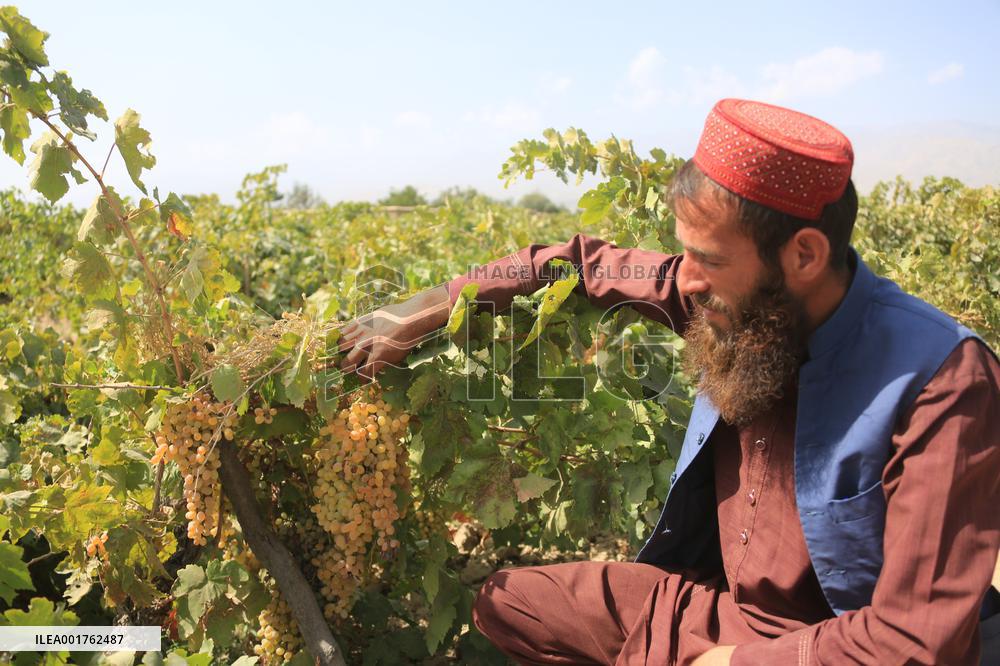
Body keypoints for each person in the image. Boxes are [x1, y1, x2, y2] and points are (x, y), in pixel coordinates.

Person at [336, 99, 1000, 665]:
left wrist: (737, 663)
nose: (682, 280)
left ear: (803, 255)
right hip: (716, 617)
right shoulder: (733, 298)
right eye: (683, 252)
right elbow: (569, 265)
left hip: (834, 649)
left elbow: (912, 643)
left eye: (707, 258)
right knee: (509, 604)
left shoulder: (942, 383)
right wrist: (420, 311)